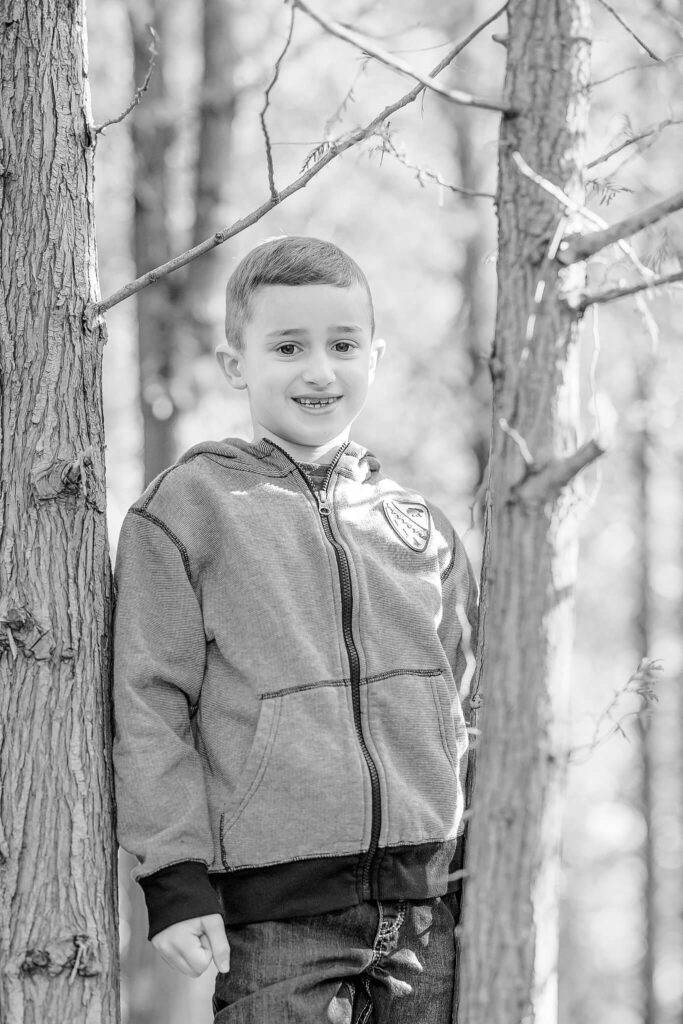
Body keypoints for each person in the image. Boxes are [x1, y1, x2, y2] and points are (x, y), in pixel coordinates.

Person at [112, 235, 478, 1023]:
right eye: (287, 346)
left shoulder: (420, 529)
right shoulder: (187, 511)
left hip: (428, 912)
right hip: (275, 915)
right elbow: (149, 706)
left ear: (373, 357)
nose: (319, 370)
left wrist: (478, 871)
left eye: (343, 345)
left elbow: (467, 712)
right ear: (236, 364)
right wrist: (173, 883)